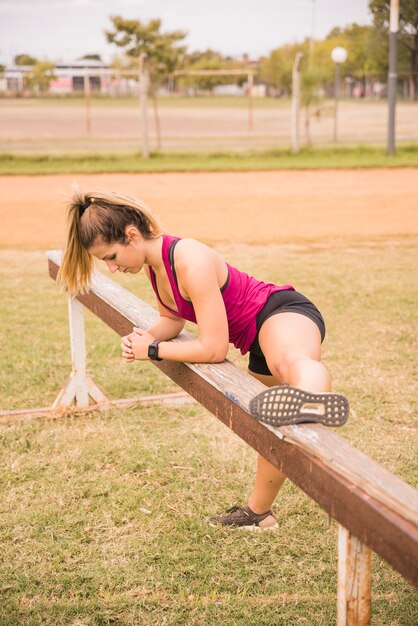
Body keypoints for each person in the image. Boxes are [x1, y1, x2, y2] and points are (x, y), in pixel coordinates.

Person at [58, 188, 348, 531]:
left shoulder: (188, 258)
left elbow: (213, 348)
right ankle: (258, 514)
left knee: (289, 362)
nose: (112, 267)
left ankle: (313, 401)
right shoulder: (157, 266)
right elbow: (173, 319)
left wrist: (153, 351)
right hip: (253, 338)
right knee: (269, 428)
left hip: (280, 313)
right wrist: (146, 337)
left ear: (131, 236)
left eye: (111, 256)